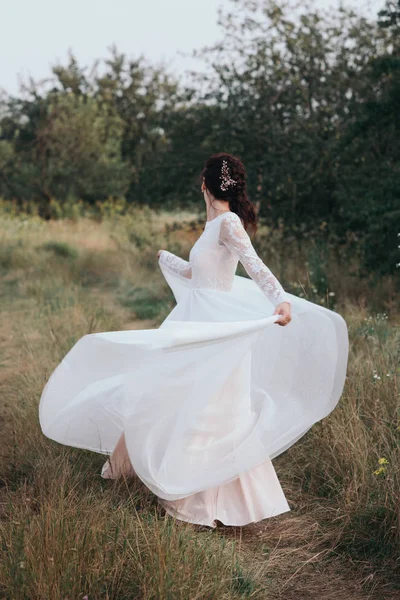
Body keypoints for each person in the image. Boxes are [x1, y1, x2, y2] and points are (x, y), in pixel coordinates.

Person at [39, 153, 349, 528]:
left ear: (204, 184)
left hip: (213, 325)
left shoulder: (229, 223)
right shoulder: (212, 225)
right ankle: (138, 469)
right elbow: (198, 273)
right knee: (165, 390)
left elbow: (254, 264)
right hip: (194, 320)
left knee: (209, 405)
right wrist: (168, 259)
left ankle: (201, 496)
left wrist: (280, 299)